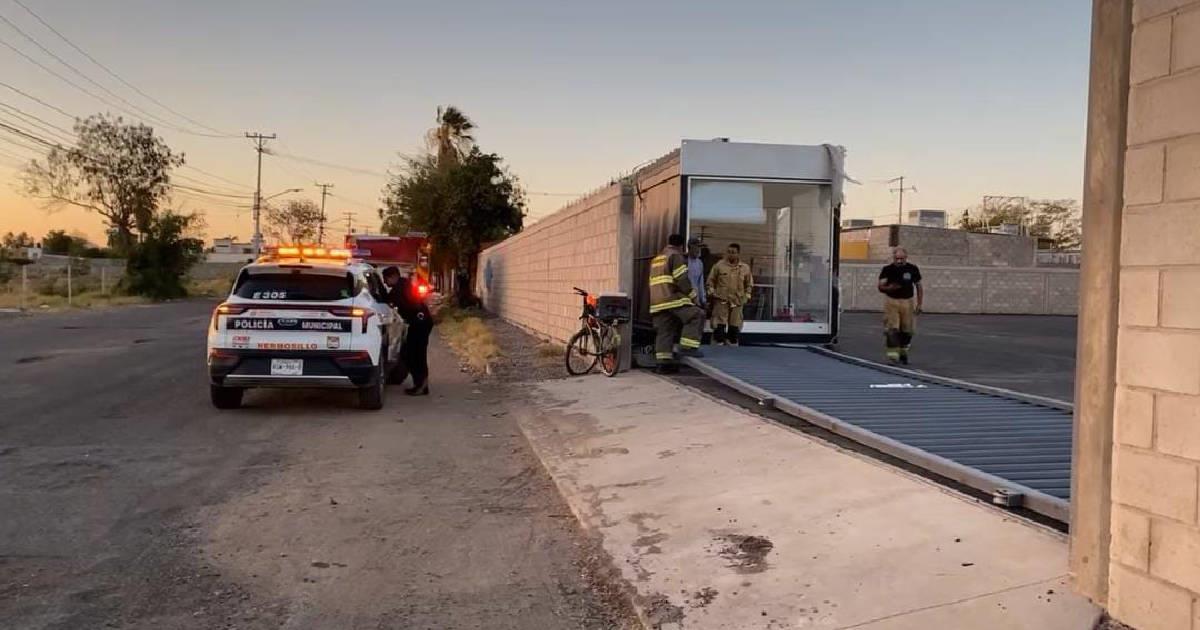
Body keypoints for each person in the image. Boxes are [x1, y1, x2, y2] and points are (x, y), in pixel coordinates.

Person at [649, 234, 704, 374]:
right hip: (672, 299)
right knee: (697, 315)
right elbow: (682, 279)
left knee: (664, 332)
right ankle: (688, 348)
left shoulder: (657, 259)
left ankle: (663, 364)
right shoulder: (676, 256)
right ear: (681, 246)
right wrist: (693, 297)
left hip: (657, 302)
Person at [382, 266, 434, 395]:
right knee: (411, 353)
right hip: (420, 322)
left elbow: (387, 300)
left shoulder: (399, 289)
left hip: (420, 323)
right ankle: (420, 384)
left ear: (393, 276)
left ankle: (421, 385)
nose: (385, 282)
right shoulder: (403, 285)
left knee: (415, 354)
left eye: (385, 279)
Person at [877, 247, 923, 365]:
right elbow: (880, 286)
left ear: (906, 258)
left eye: (901, 259)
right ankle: (893, 356)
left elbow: (918, 286)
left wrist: (919, 303)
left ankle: (903, 352)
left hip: (908, 302)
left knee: (907, 331)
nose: (899, 261)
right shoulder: (887, 269)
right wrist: (889, 288)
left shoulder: (912, 269)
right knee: (892, 330)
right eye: (897, 259)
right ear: (893, 258)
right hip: (892, 301)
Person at [706, 243, 753, 346]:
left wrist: (746, 296)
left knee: (734, 326)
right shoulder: (719, 266)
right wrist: (712, 293)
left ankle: (732, 345)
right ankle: (718, 344)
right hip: (721, 300)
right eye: (729, 252)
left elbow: (749, 284)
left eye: (733, 252)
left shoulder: (745, 268)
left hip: (737, 301)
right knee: (719, 326)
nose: (730, 254)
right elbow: (710, 281)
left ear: (738, 254)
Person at [686, 236, 707, 315]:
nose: (699, 250)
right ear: (690, 247)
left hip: (696, 302)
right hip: (684, 300)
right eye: (697, 247)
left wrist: (703, 300)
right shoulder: (683, 260)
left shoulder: (699, 263)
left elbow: (700, 283)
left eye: (700, 247)